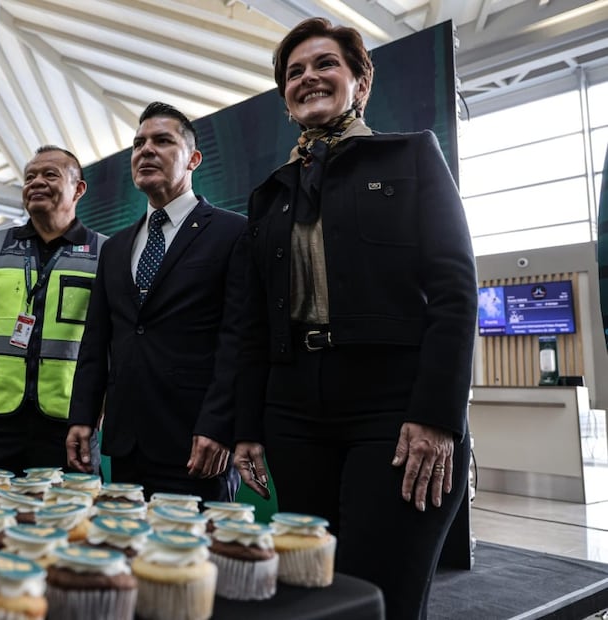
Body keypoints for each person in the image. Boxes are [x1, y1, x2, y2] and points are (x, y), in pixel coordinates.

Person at [231, 18, 476, 619]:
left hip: (393, 411)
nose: (308, 77)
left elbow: (454, 292)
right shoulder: (269, 195)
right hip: (293, 412)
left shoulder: (412, 156)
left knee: (380, 594)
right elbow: (253, 324)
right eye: (294, 72)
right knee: (312, 591)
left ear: (360, 81)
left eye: (325, 64)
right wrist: (247, 427)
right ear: (284, 96)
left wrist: (436, 417)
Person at [66, 102, 246, 502]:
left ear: (194, 159)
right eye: (138, 144)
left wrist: (221, 425)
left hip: (197, 444)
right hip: (126, 444)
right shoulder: (115, 248)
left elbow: (240, 341)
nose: (145, 150)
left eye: (162, 141)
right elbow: (96, 342)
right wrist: (83, 416)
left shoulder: (234, 234)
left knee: (190, 563)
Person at [0, 145, 105, 475]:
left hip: (69, 422)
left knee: (70, 518)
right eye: (29, 177)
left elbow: (116, 339)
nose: (36, 182)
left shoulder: (104, 253)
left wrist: (99, 407)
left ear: (78, 189)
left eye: (50, 175)